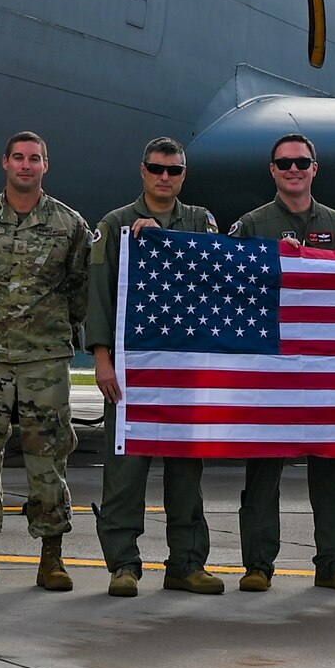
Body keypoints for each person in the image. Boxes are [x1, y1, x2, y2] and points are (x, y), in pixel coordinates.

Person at [0, 132, 92, 593]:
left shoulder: (69, 225)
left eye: (35, 159)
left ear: (46, 165)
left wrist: (49, 329)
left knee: (48, 460)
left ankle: (51, 558)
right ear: (4, 163)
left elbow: (80, 291)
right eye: (19, 158)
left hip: (44, 360)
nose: (26, 166)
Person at [227, 135, 335, 592]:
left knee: (330, 466)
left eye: (301, 162)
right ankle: (257, 564)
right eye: (284, 163)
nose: (293, 169)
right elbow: (233, 293)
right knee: (263, 468)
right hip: (270, 368)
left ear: (314, 168)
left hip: (326, 370)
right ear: (272, 170)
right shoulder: (251, 225)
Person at [85, 137, 225, 597]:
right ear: (142, 171)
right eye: (157, 168)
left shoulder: (200, 223)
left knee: (187, 472)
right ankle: (123, 564)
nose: (165, 177)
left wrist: (171, 242)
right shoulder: (117, 225)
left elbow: (217, 278)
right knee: (126, 471)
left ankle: (186, 563)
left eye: (174, 170)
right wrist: (102, 359)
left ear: (184, 174)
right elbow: (99, 295)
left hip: (185, 370)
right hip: (132, 370)